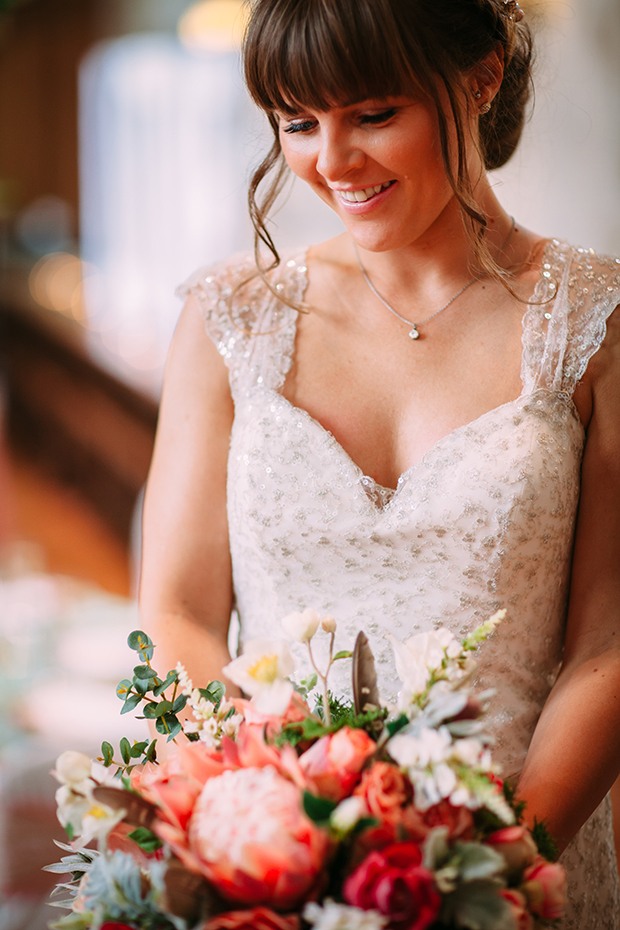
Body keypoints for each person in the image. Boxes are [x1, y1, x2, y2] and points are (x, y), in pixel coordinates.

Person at [139, 0, 620, 925]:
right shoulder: (228, 319)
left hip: (524, 865)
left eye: (371, 114)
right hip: (279, 881)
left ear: (481, 77)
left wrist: (492, 871)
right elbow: (179, 611)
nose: (332, 161)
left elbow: (608, 645)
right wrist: (266, 831)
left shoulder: (594, 325)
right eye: (296, 122)